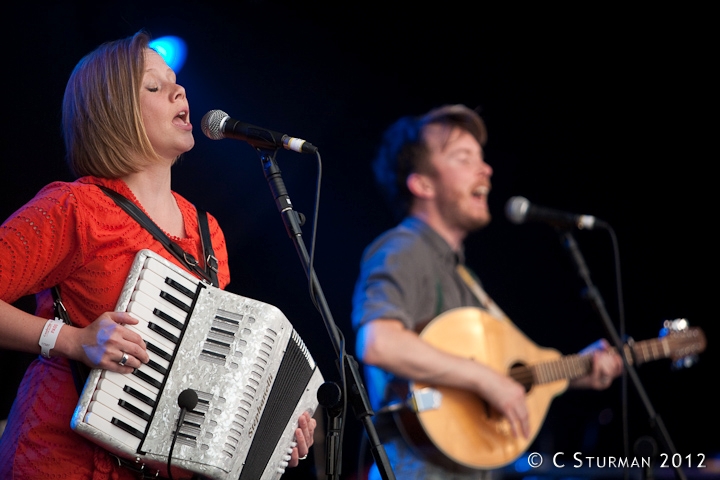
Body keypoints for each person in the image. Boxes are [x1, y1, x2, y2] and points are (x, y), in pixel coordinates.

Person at [0, 30, 315, 478]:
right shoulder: (74, 207)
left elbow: (205, 373)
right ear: (112, 113)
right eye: (154, 86)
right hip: (62, 458)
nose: (179, 90)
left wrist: (275, 426)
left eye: (176, 81)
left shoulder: (209, 233)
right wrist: (70, 340)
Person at [352, 104, 623, 479]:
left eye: (481, 158)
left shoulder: (461, 274)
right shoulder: (403, 247)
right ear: (422, 183)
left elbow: (504, 373)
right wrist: (485, 379)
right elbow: (379, 342)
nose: (486, 170)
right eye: (464, 158)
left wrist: (577, 371)